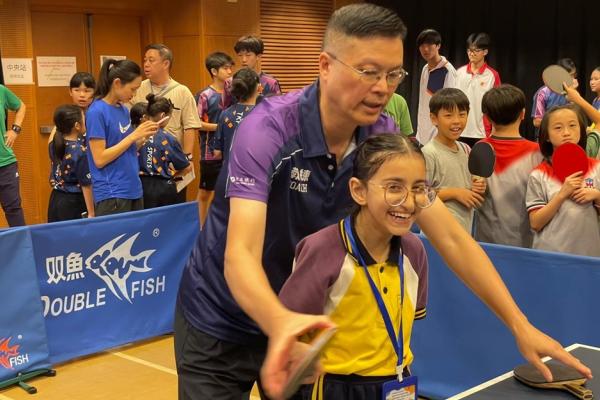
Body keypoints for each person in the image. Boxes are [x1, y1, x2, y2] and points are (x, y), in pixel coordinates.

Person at [174, 5, 591, 400]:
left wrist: (519, 324)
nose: (382, 88)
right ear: (325, 65)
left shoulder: (381, 136)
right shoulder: (267, 130)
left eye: (393, 74)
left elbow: (450, 237)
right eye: (368, 72)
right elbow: (241, 253)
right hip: (221, 318)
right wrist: (278, 321)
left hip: (303, 321)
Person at [280, 134, 431, 399]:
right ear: (359, 191)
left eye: (418, 188)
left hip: (398, 382)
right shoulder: (321, 249)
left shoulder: (414, 251)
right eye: (394, 187)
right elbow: (290, 328)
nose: (409, 202)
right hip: (335, 388)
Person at [86, 59, 158, 216]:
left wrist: (142, 138)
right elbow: (99, 159)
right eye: (133, 89)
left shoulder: (124, 110)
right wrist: (133, 136)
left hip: (133, 189)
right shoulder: (96, 111)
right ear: (117, 83)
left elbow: (124, 148)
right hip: (112, 193)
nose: (134, 94)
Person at [526, 104, 600, 257]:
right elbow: (535, 223)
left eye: (572, 125)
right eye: (558, 128)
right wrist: (561, 195)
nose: (566, 133)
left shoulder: (596, 167)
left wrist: (597, 196)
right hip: (550, 256)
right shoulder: (539, 174)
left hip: (589, 255)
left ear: (581, 129)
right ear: (546, 135)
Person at [475, 85, 542, 247]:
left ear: (486, 117)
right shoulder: (538, 153)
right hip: (527, 245)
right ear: (523, 114)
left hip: (485, 244)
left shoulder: (478, 149)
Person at [131, 43, 201, 179]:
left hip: (171, 159)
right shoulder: (137, 88)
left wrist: (187, 157)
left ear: (166, 63)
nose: (146, 64)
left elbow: (190, 126)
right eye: (145, 60)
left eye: (151, 60)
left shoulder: (182, 91)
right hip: (142, 160)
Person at [422, 88, 485, 233]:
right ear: (434, 118)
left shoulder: (466, 149)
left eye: (462, 114)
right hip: (437, 234)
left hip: (463, 231)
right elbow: (420, 196)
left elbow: (468, 183)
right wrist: (455, 193)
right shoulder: (428, 153)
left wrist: (477, 185)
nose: (457, 121)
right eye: (448, 115)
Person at [196, 52, 233, 225]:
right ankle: (200, 228)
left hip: (229, 152)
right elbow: (196, 123)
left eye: (230, 68)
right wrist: (220, 127)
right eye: (225, 68)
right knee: (205, 193)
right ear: (214, 71)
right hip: (209, 153)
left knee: (226, 192)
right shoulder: (205, 95)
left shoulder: (233, 94)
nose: (230, 71)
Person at [137, 94, 191, 209]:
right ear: (163, 116)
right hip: (162, 188)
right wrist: (174, 178)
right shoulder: (168, 139)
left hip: (137, 186)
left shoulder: (134, 134)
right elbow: (186, 167)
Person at [48, 104, 94, 222]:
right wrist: (91, 213)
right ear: (77, 125)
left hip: (55, 199)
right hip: (74, 203)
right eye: (84, 118)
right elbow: (86, 185)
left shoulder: (54, 144)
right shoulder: (79, 151)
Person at [455, 33, 501, 147]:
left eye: (476, 50)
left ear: (485, 52)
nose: (471, 53)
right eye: (469, 50)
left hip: (482, 133)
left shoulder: (492, 75)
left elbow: (497, 105)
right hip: (459, 130)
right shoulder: (459, 73)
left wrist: (494, 130)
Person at [415, 29, 457, 146]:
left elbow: (450, 105)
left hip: (438, 134)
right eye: (422, 46)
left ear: (438, 46)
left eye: (429, 45)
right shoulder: (425, 68)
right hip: (422, 132)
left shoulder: (447, 71)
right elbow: (423, 102)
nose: (425, 49)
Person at [214, 67, 261, 164]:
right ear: (258, 88)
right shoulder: (264, 115)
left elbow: (217, 153)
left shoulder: (225, 114)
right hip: (255, 170)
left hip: (230, 171)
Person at [0, 84, 26, 227]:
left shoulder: (1, 90)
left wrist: (15, 130)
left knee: (14, 210)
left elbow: (21, 106)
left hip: (5, 163)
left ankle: (21, 242)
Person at [532, 58, 578, 131]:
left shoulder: (572, 92)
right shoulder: (543, 92)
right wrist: (558, 123)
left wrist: (574, 92)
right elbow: (536, 122)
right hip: (546, 135)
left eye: (573, 75)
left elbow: (576, 115)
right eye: (568, 76)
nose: (572, 79)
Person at [564, 67, 600, 158]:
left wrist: (577, 98)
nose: (592, 82)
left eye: (596, 79)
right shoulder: (595, 100)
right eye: (591, 79)